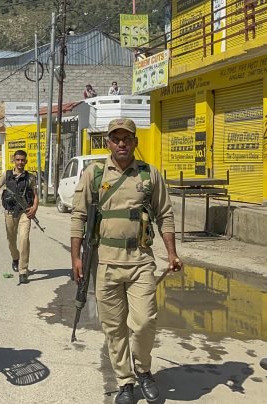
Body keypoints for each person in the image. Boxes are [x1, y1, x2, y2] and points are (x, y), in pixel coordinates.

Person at [70, 118, 183, 404]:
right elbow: (78, 216)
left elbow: (165, 214)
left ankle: (143, 370)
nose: (122, 143)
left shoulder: (149, 174)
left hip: (141, 260)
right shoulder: (94, 174)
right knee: (114, 327)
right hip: (105, 262)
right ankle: (125, 381)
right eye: (116, 138)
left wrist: (171, 253)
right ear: (108, 142)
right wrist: (76, 257)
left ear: (135, 142)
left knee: (144, 322)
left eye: (127, 138)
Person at [0, 150, 38, 285]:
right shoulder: (7, 175)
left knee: (24, 239)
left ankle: (23, 271)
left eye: (22, 160)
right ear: (13, 161)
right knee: (11, 241)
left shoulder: (30, 177)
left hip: (25, 213)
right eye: (18, 160)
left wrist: (34, 208)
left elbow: (35, 195)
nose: (20, 162)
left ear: (26, 161)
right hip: (10, 213)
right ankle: (15, 258)